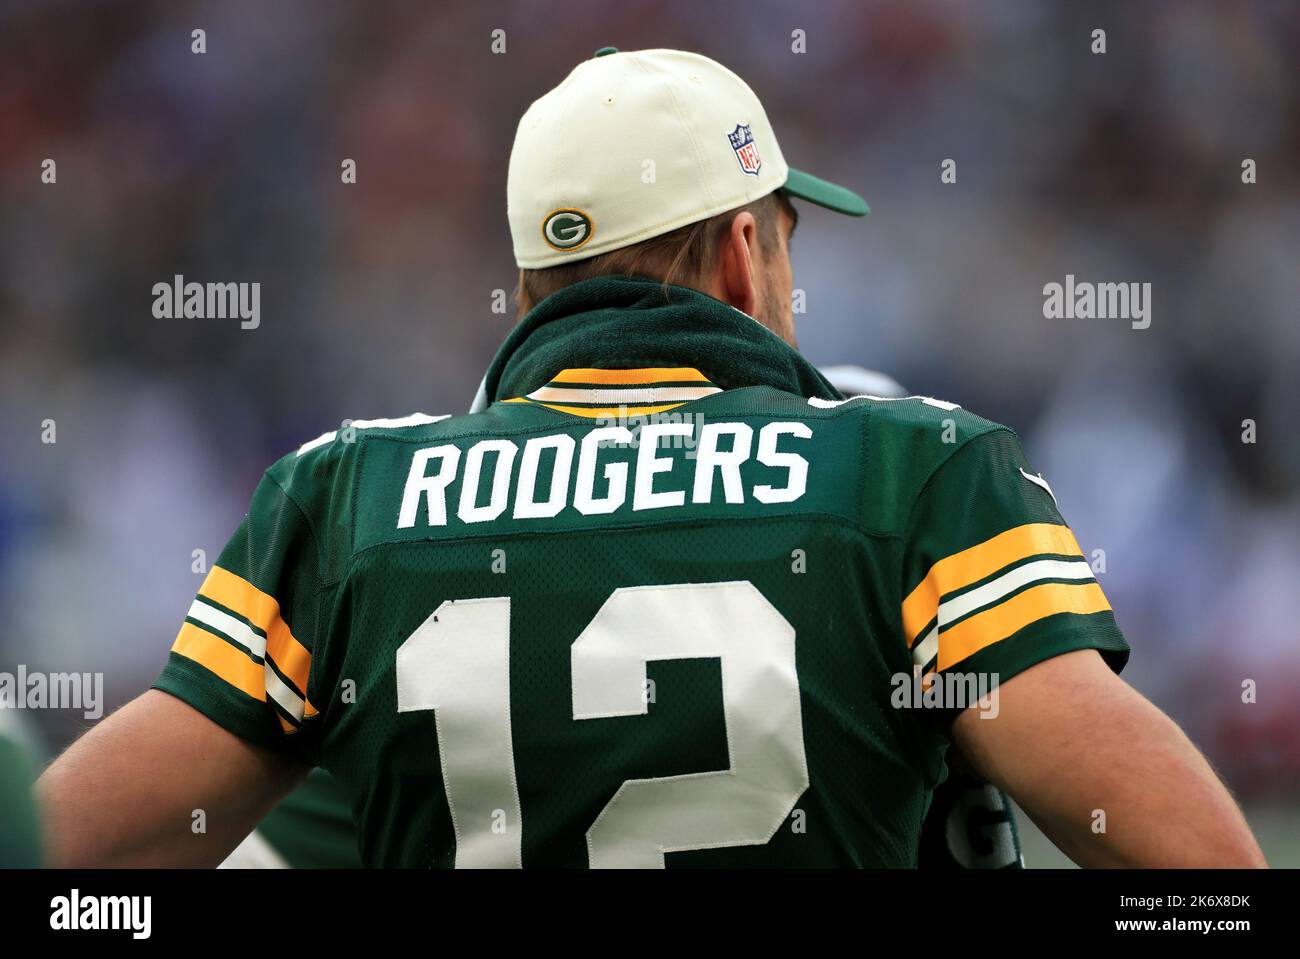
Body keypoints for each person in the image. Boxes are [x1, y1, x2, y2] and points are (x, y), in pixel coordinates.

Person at [37, 48, 1264, 868]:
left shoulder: (347, 495)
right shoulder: (913, 472)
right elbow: (1199, 874)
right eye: (786, 240)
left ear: (526, 289)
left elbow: (70, 865)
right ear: (744, 255)